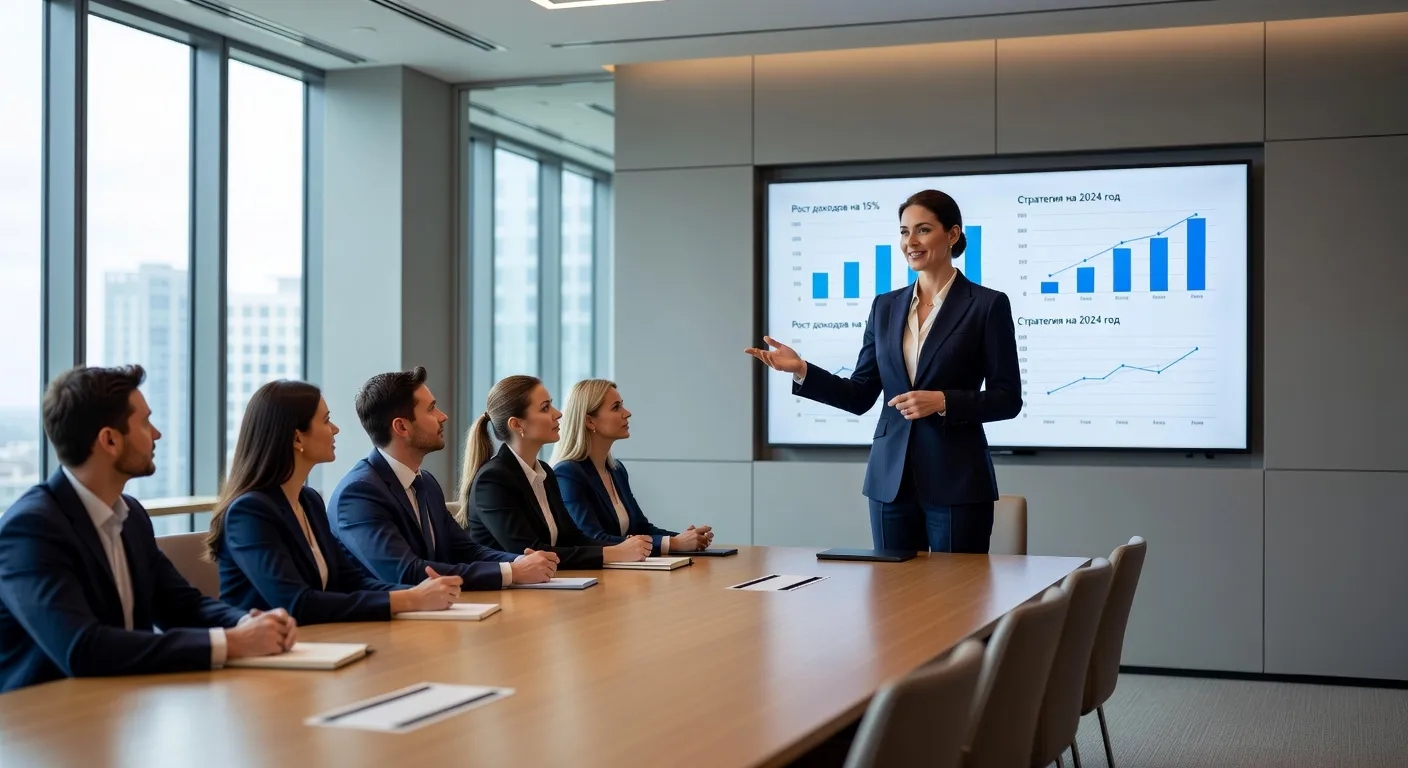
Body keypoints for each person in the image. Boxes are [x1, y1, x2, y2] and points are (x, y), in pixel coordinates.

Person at [747, 190, 1022, 554]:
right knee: (892, 603)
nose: (911, 242)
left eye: (923, 230)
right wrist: (802, 370)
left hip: (957, 482)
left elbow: (1008, 399)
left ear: (952, 235)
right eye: (904, 232)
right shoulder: (885, 307)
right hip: (889, 483)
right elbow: (861, 394)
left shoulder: (987, 305)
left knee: (958, 602)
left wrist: (943, 401)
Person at [0, 365, 294, 693]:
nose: (156, 434)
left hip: (121, 705)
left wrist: (246, 623)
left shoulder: (132, 516)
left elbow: (182, 605)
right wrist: (231, 643)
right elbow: (82, 648)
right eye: (144, 422)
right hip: (44, 723)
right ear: (109, 440)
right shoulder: (30, 530)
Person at [208, 380, 463, 625]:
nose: (336, 429)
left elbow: (351, 580)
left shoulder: (309, 501)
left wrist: (420, 592)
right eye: (326, 420)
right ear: (297, 439)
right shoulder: (250, 512)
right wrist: (409, 598)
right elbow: (297, 603)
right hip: (263, 656)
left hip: (317, 644)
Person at [328, 367, 558, 588]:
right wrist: (512, 572)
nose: (443, 416)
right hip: (381, 625)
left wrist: (519, 561)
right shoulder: (359, 493)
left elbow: (465, 550)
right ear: (402, 427)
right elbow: (405, 573)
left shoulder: (425, 482)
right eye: (431, 409)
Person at [459, 376, 653, 570]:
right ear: (517, 425)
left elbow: (572, 538)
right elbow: (530, 552)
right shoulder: (493, 480)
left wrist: (625, 548)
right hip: (507, 594)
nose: (558, 414)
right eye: (545, 408)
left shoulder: (545, 473)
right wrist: (614, 553)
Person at [551, 379, 714, 555]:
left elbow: (641, 528)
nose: (627, 413)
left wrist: (686, 538)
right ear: (590, 421)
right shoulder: (567, 474)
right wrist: (673, 543)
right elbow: (592, 538)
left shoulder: (616, 470)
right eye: (616, 407)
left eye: (622, 406)